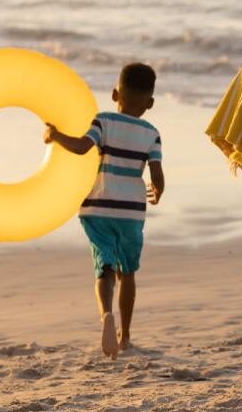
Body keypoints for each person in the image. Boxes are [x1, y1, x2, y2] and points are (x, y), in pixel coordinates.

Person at [44, 63, 165, 360]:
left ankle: (106, 315)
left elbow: (82, 147)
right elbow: (157, 173)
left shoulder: (103, 121)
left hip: (97, 207)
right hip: (131, 213)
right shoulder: (152, 133)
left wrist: (56, 136)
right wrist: (157, 190)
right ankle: (125, 335)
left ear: (115, 94)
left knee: (105, 267)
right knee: (129, 271)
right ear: (149, 103)